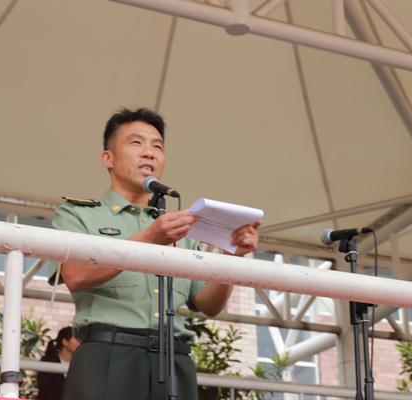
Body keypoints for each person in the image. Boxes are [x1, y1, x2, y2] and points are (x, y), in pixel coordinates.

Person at [50, 108, 261, 400]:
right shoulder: (79, 214)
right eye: (136, 143)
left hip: (175, 359)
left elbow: (208, 304)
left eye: (157, 146)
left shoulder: (179, 228)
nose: (149, 153)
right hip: (108, 355)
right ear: (108, 158)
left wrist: (232, 256)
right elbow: (75, 275)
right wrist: (149, 238)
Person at [37, 326, 80, 400]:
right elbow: (45, 390)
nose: (80, 343)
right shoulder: (49, 361)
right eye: (77, 339)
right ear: (65, 342)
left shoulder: (80, 363)